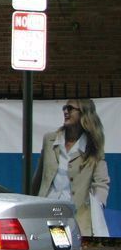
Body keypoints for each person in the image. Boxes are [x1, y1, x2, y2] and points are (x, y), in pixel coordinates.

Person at [37, 99, 110, 236]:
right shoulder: (50, 140)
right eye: (64, 108)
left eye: (70, 108)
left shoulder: (93, 146)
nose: (65, 111)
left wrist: (97, 207)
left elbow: (101, 182)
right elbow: (39, 177)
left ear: (83, 113)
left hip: (77, 217)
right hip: (48, 211)